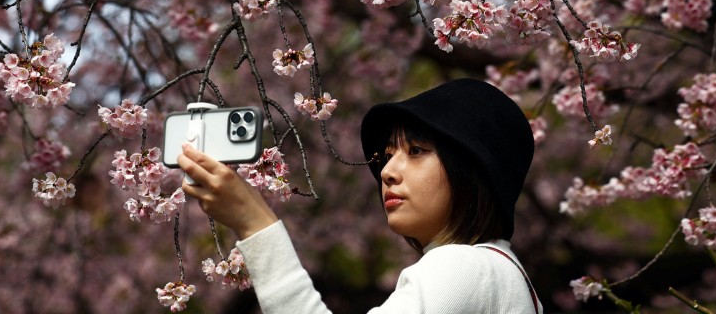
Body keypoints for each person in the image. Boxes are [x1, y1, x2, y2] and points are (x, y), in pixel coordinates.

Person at [177, 78, 542, 313]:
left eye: (416, 151)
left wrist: (254, 222)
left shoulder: (464, 268)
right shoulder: (506, 276)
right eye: (387, 157)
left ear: (473, 170)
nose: (387, 171)